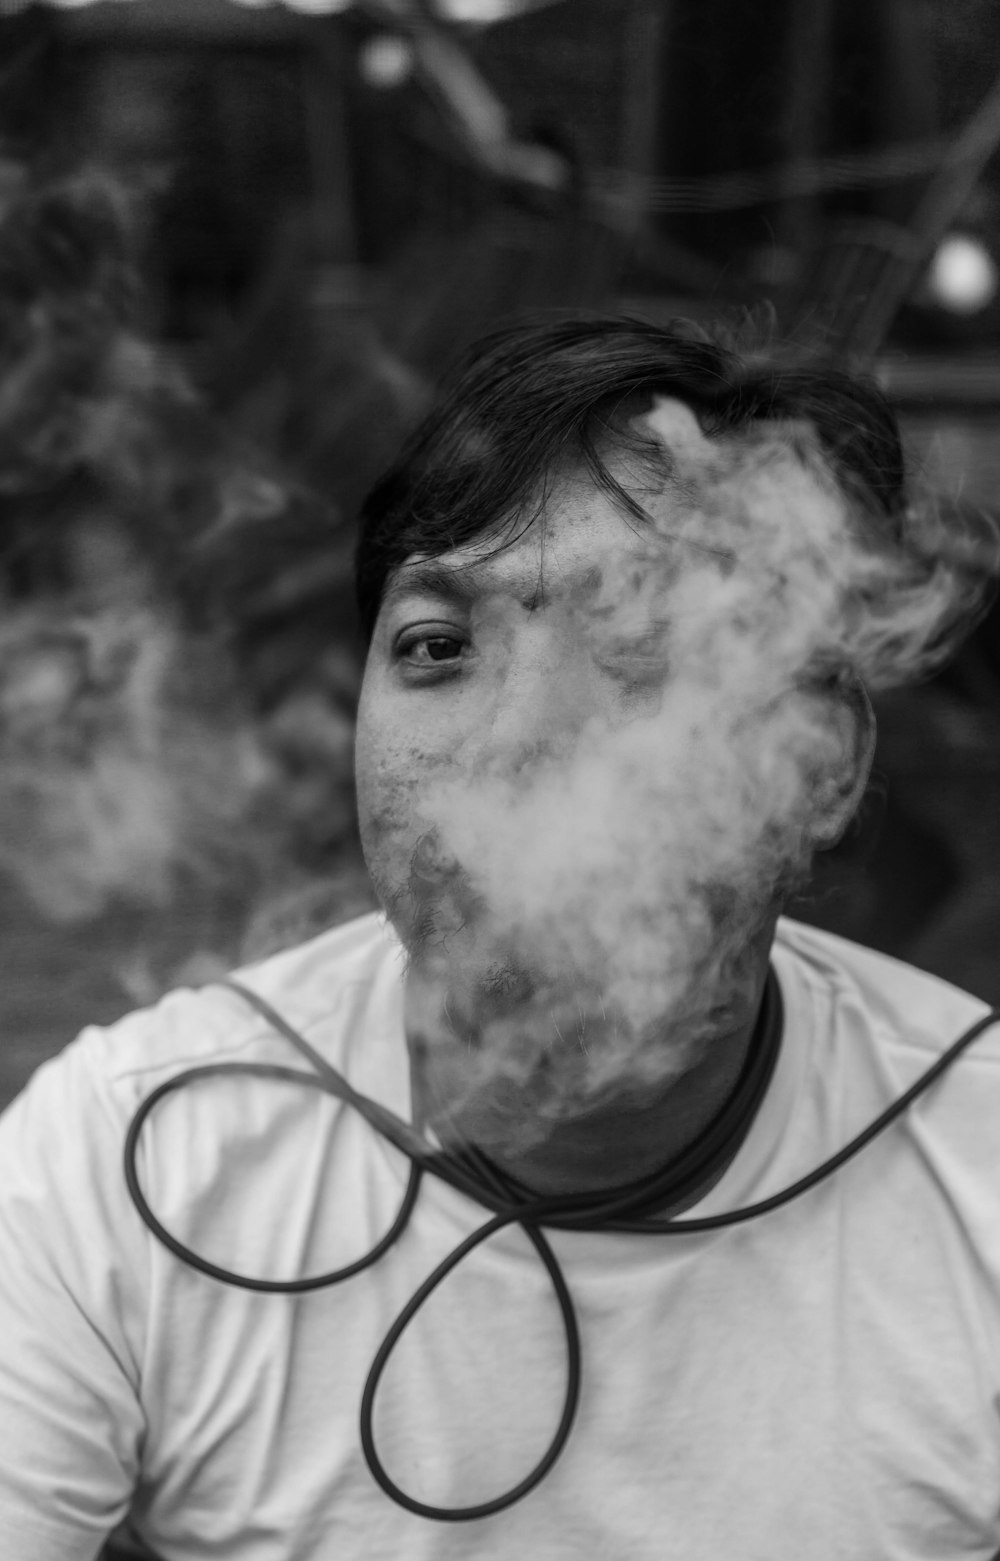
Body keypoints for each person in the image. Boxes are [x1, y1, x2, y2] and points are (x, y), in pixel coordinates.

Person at [1, 315, 999, 1561]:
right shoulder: (122, 1157)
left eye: (643, 646)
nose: (512, 750)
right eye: (436, 646)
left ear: (822, 764)